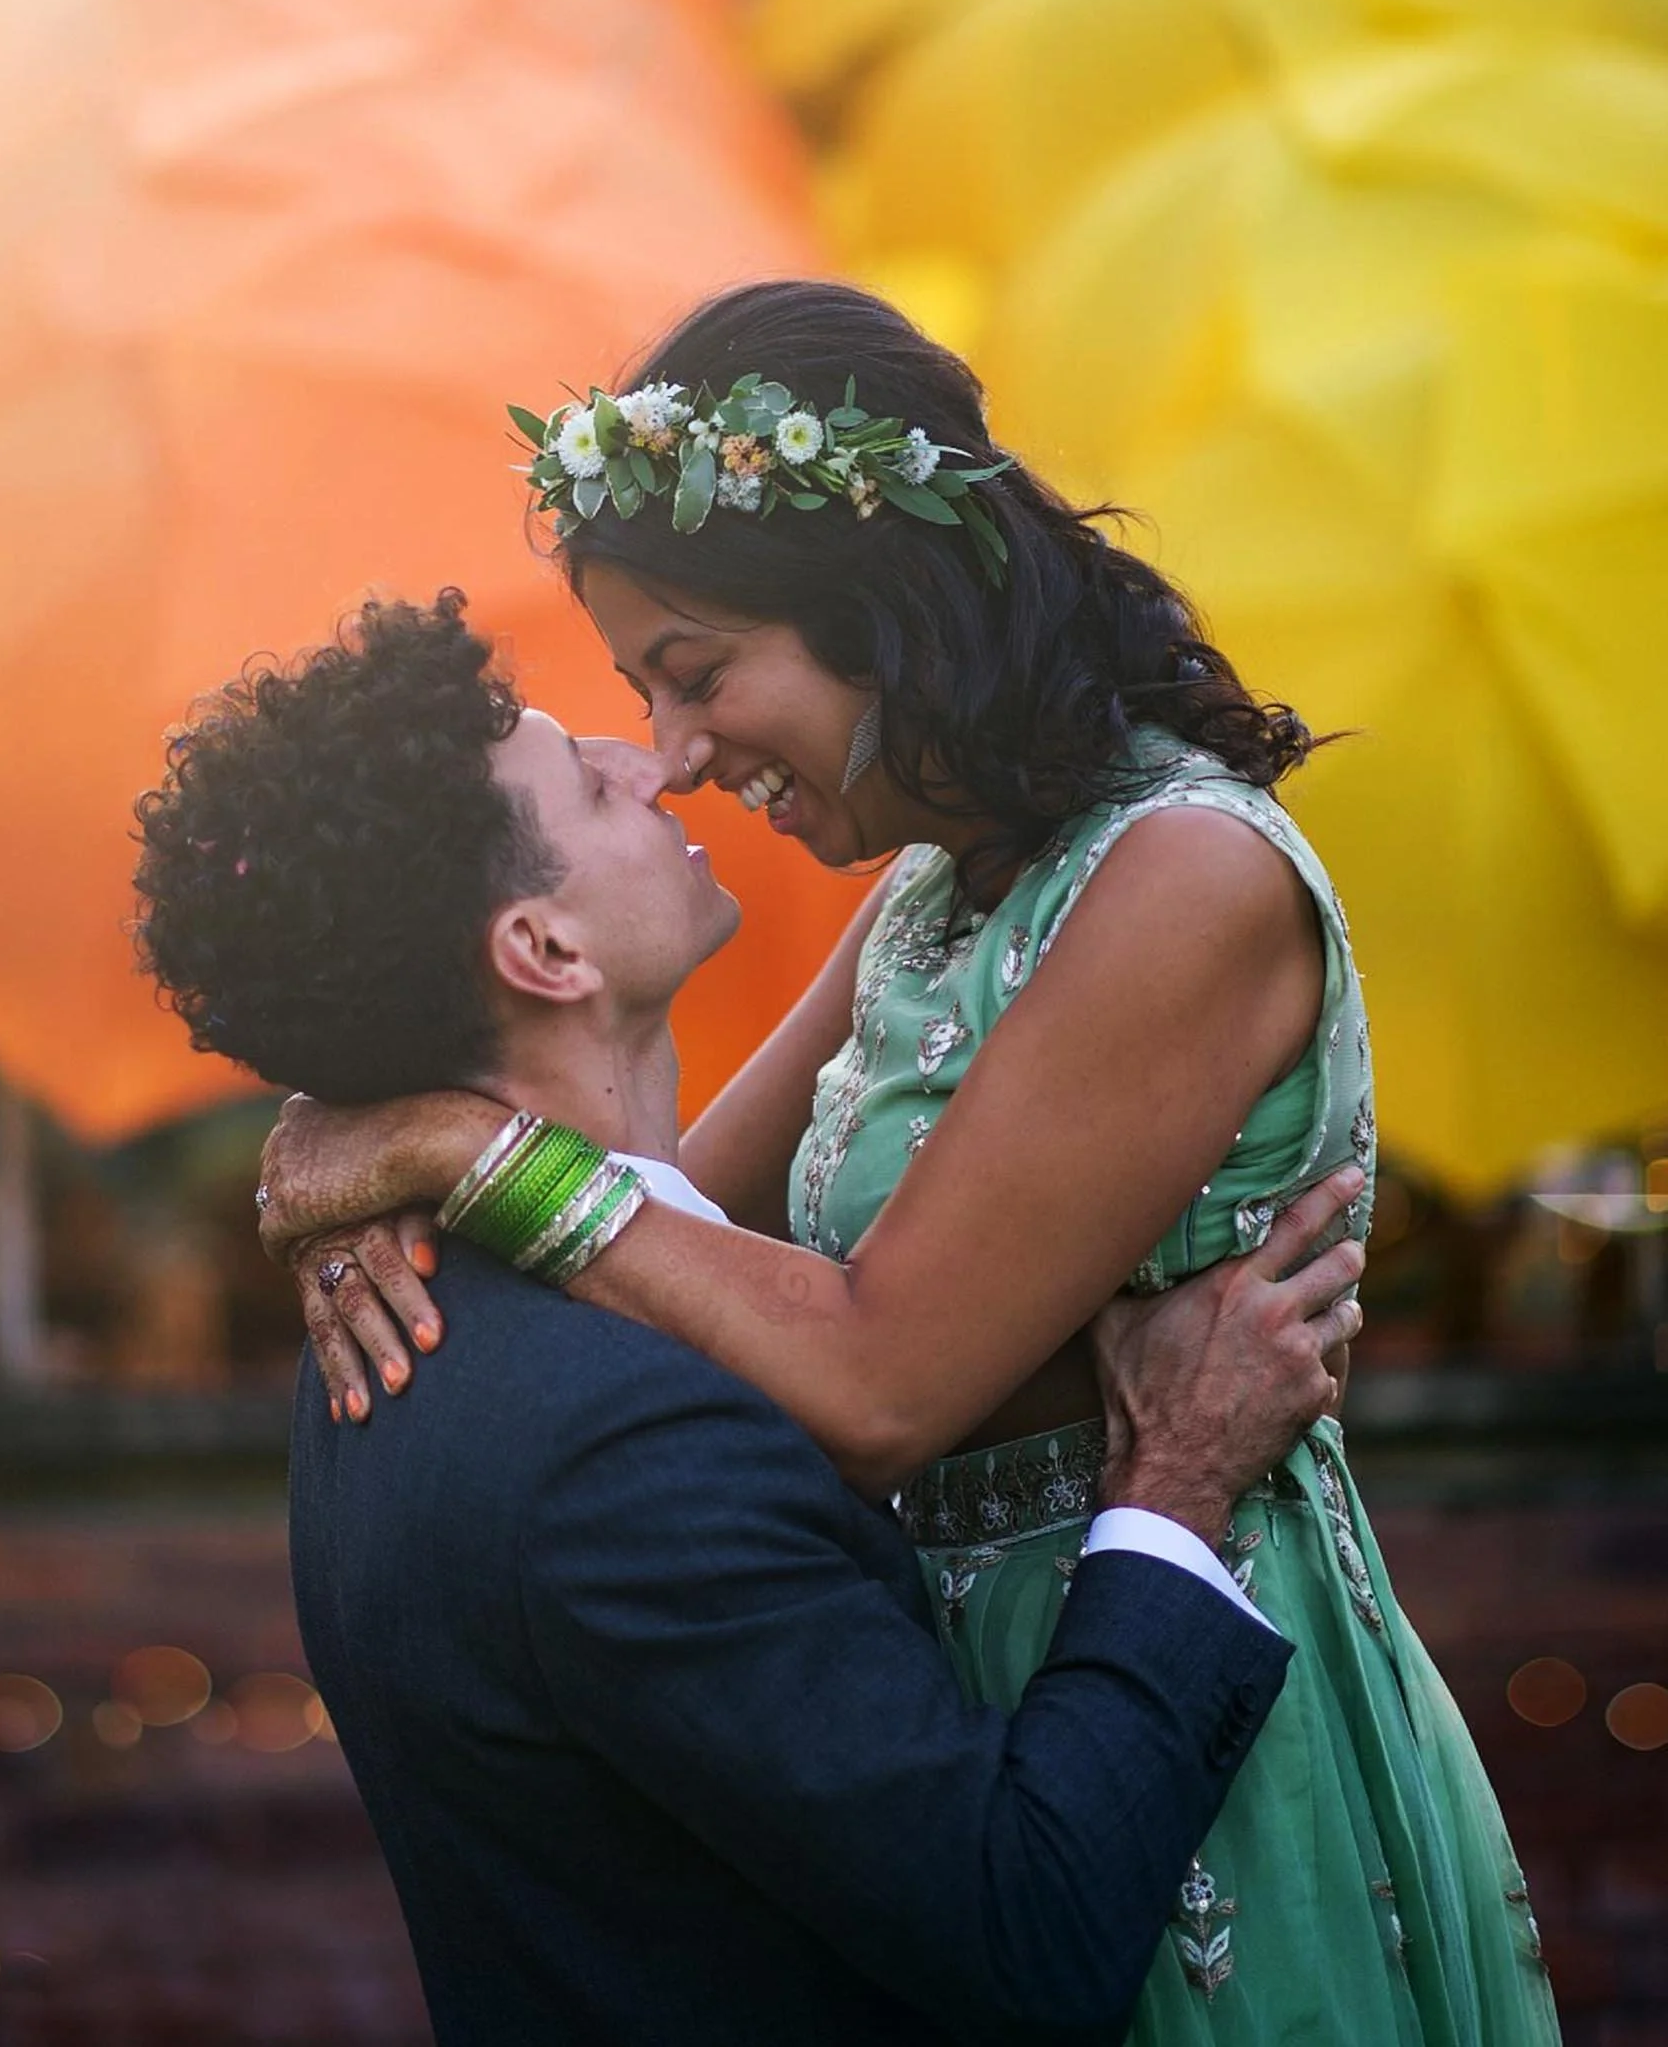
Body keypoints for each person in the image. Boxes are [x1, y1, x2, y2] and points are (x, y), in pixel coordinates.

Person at [256, 284, 1560, 2046]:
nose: (677, 753)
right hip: (957, 1748)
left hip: (1190, 1735)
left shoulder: (1183, 881)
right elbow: (669, 1238)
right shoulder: (924, 902)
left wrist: (447, 1138)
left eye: (697, 673)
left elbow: (868, 1376)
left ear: (882, 606)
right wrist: (359, 1149)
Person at [132, 591, 1368, 2047]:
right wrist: (1172, 1487)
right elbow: (1023, 1927)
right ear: (545, 951)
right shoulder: (631, 1452)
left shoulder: (427, 1316)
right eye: (588, 779)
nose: (648, 763)